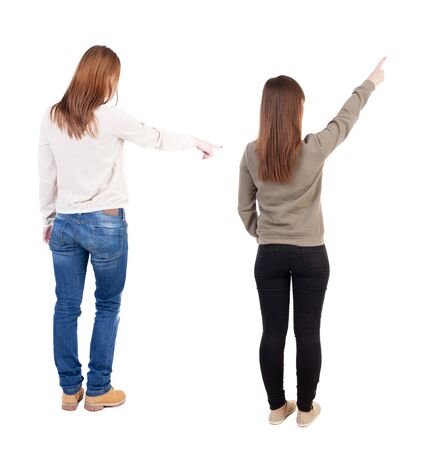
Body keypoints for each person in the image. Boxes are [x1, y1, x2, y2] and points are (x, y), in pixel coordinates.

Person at [38, 45, 221, 412]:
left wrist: (48, 218)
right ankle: (98, 390)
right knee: (106, 305)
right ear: (105, 77)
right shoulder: (110, 116)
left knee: (66, 307)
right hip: (105, 224)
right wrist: (197, 142)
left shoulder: (52, 116)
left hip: (65, 225)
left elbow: (47, 171)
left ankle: (69, 390)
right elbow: (155, 138)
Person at [238, 57, 386, 427]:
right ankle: (305, 410)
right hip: (311, 257)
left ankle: (276, 408)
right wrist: (369, 82)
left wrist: (264, 235)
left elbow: (243, 208)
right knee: (308, 333)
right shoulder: (315, 148)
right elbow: (345, 118)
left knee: (272, 332)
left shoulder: (252, 154)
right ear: (295, 112)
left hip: (268, 256)